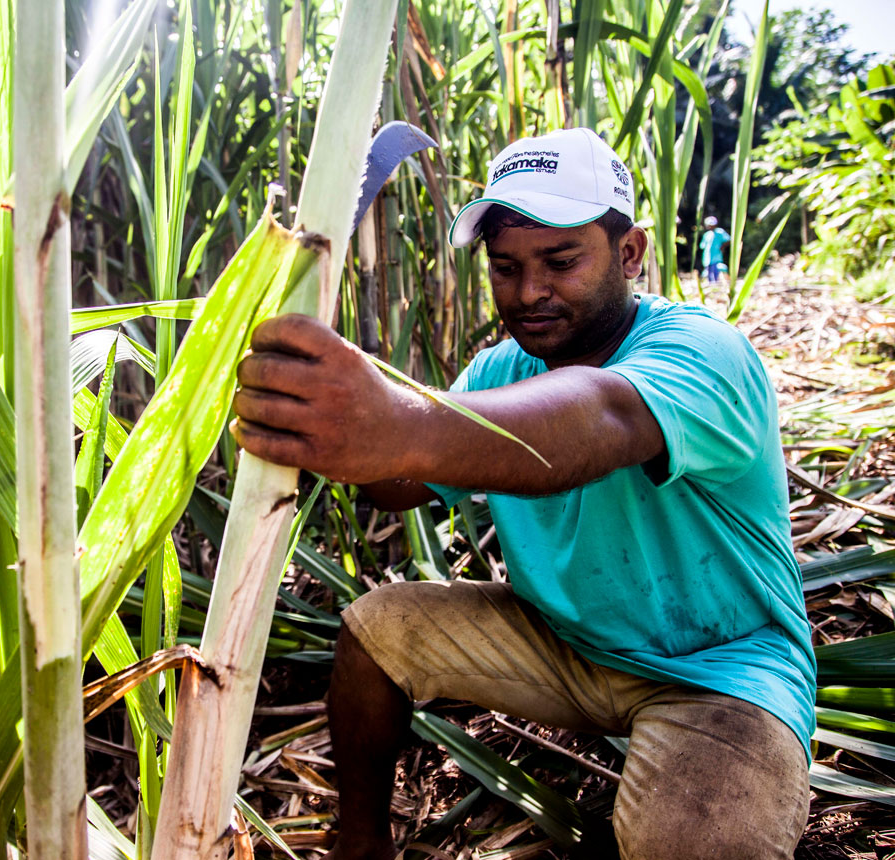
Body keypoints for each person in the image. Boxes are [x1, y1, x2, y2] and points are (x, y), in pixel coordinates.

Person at [231, 127, 814, 860]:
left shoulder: (703, 354)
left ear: (629, 254)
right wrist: (321, 417)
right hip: (564, 643)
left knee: (692, 841)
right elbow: (397, 485)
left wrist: (399, 423)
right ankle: (361, 846)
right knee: (377, 632)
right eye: (505, 268)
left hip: (717, 670)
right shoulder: (498, 370)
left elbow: (599, 418)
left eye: (560, 261)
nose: (529, 292)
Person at [700, 215, 730, 284]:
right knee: (708, 273)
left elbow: (729, 240)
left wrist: (722, 246)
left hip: (716, 257)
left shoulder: (720, 232)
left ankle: (716, 284)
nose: (710, 226)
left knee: (716, 272)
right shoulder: (707, 235)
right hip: (707, 258)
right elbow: (702, 246)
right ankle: (711, 285)